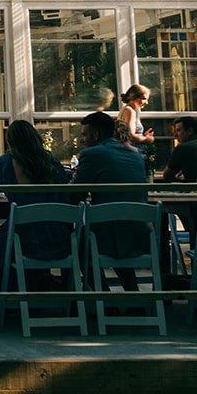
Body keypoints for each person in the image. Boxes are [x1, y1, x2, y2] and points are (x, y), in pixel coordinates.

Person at [0, 119, 73, 283]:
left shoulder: (5, 163)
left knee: (1, 249)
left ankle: (4, 301)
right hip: (57, 238)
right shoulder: (53, 163)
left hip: (22, 240)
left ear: (11, 141)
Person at [71, 111, 149, 288]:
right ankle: (132, 295)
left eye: (84, 134)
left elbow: (74, 196)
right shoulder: (135, 154)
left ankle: (103, 299)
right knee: (109, 226)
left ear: (96, 134)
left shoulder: (92, 154)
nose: (82, 140)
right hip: (141, 234)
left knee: (77, 242)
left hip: (111, 238)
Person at [117, 83, 154, 149]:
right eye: (144, 98)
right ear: (133, 97)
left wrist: (143, 135)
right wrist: (146, 139)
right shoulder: (130, 111)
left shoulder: (125, 109)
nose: (146, 102)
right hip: (133, 150)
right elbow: (130, 136)